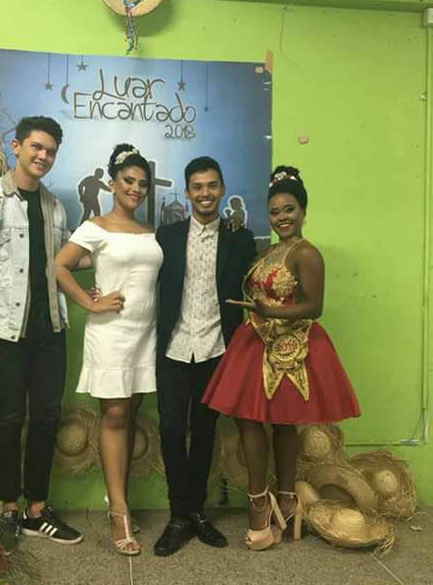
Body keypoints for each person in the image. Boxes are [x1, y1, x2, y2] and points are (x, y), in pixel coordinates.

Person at [203, 165, 361, 550]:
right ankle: (265, 502)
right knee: (250, 419)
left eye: (289, 209)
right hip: (257, 342)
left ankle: (283, 503)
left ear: (303, 210)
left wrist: (271, 311)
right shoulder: (270, 251)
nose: (282, 217)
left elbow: (314, 307)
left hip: (292, 347)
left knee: (283, 422)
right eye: (274, 212)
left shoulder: (308, 253)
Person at [0, 116, 82, 552]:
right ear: (16, 146)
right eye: (36, 147)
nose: (42, 156)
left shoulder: (55, 208)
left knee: (46, 418)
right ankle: (9, 509)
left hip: (51, 330)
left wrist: (108, 257)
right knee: (9, 420)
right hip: (5, 332)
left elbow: (62, 263)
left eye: (50, 151)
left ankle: (37, 511)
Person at [54, 143, 163, 556]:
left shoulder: (150, 230)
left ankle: (118, 498)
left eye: (142, 183)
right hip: (110, 332)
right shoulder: (95, 227)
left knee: (130, 411)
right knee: (115, 414)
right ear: (113, 184)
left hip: (145, 332)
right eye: (128, 181)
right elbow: (60, 265)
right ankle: (119, 510)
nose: (135, 189)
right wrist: (90, 302)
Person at [154, 156, 257, 556]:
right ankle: (177, 515)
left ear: (222, 189)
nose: (205, 193)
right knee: (170, 430)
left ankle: (196, 512)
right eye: (198, 187)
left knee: (205, 432)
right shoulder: (167, 236)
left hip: (217, 349)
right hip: (174, 347)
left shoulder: (239, 240)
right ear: (187, 192)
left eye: (212, 185)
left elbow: (261, 284)